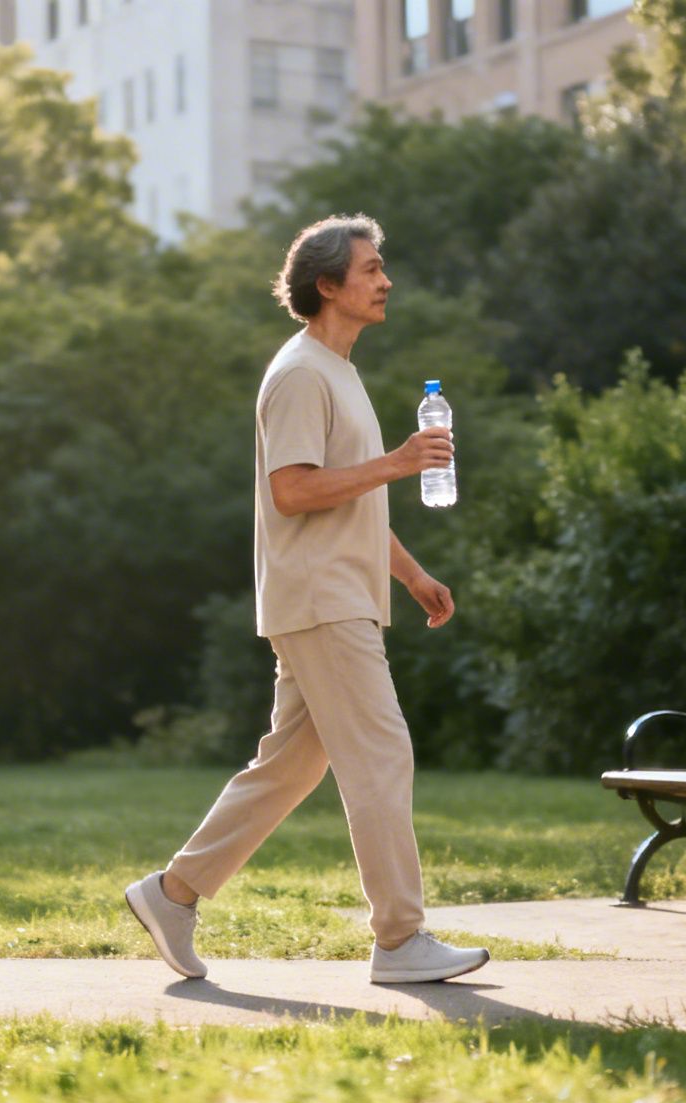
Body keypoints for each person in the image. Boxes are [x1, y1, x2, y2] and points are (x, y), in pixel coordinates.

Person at [125, 214, 489, 984]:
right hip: (322, 599)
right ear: (327, 285)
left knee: (289, 769)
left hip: (340, 593)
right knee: (382, 754)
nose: (386, 281)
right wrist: (398, 463)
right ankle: (400, 940)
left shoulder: (338, 371)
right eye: (371, 269)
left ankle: (173, 895)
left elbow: (347, 495)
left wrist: (411, 574)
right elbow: (291, 491)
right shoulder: (299, 374)